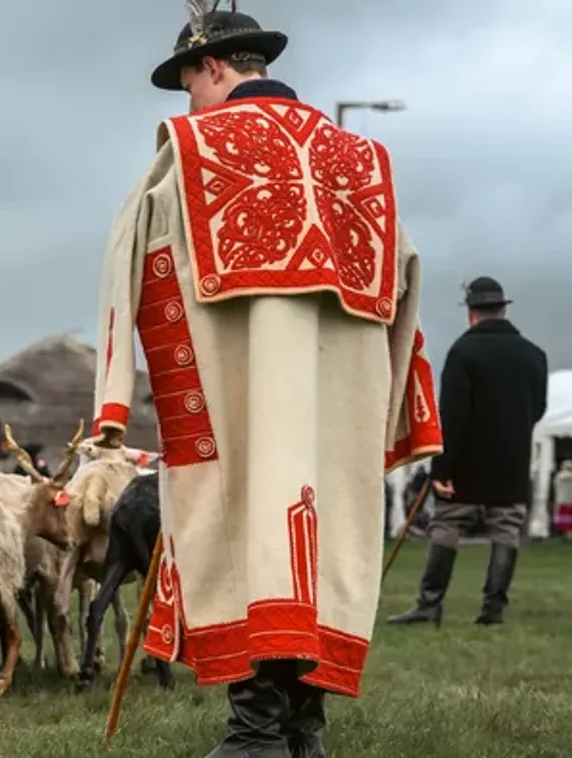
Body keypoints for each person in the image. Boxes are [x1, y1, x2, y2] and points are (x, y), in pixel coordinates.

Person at [91, 6, 443, 755]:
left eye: (186, 83)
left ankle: (255, 734)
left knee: (246, 538)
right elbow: (406, 273)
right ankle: (300, 729)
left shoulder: (189, 148)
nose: (186, 102)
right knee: (321, 552)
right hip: (336, 402)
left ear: (212, 67)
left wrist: (115, 397)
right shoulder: (358, 157)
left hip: (238, 384)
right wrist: (399, 401)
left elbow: (131, 253)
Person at [389, 277, 547, 628]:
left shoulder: (464, 352)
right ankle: (493, 611)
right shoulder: (534, 355)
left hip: (467, 467)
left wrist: (441, 471)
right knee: (505, 531)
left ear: (471, 313)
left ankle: (430, 605)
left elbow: (453, 417)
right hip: (511, 464)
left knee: (446, 526)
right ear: (503, 309)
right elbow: (537, 409)